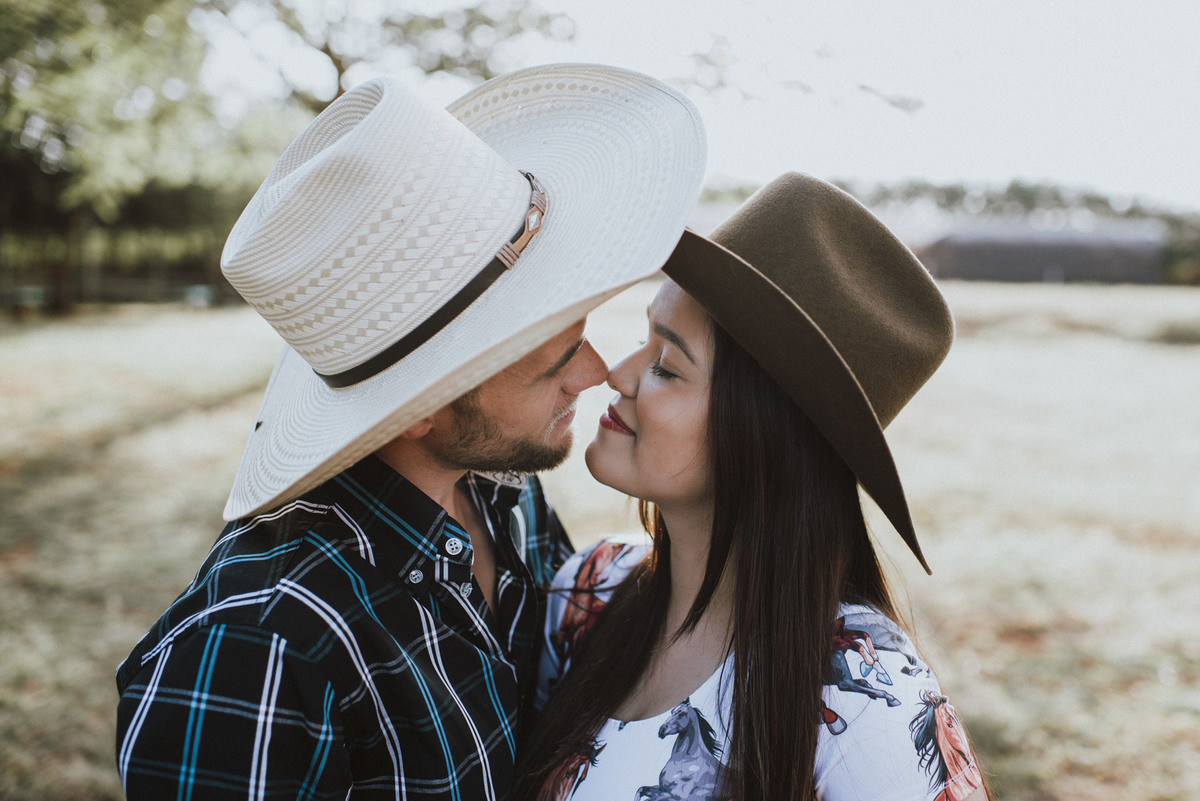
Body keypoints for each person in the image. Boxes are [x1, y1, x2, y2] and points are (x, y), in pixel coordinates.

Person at [114, 64, 706, 800]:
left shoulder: (503, 498)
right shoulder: (262, 647)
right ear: (418, 406)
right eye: (552, 357)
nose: (593, 372)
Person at [521, 173, 990, 800]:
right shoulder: (590, 590)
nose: (617, 374)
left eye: (666, 365)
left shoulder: (867, 697)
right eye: (643, 338)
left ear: (761, 435)